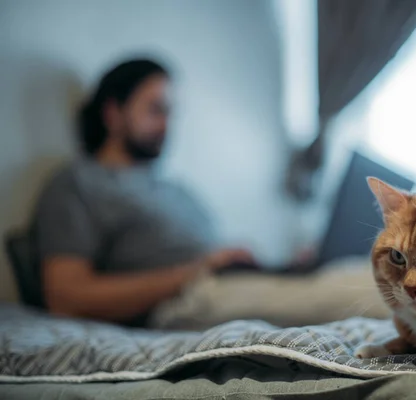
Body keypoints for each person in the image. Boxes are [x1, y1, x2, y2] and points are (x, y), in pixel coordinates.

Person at [34, 59, 272, 326]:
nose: (166, 126)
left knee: (325, 276)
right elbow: (66, 298)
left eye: (170, 113)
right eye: (155, 110)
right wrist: (196, 272)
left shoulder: (174, 189)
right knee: (329, 297)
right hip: (188, 301)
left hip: (238, 285)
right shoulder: (78, 183)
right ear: (113, 114)